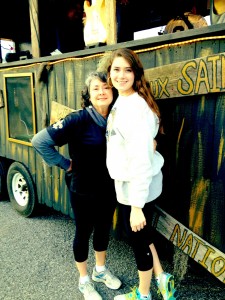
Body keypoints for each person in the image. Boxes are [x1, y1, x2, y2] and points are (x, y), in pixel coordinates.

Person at [31, 71, 121, 300]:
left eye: (106, 87)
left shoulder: (118, 117)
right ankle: (84, 281)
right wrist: (64, 163)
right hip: (83, 189)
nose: (102, 92)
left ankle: (100, 271)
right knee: (83, 232)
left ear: (113, 91)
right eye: (96, 88)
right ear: (88, 95)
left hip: (109, 187)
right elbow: (39, 141)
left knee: (102, 230)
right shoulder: (77, 119)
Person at [105, 48, 178, 300]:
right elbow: (144, 143)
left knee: (138, 242)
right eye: (116, 69)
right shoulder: (124, 100)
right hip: (134, 184)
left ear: (135, 74)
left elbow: (140, 159)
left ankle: (143, 295)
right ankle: (162, 278)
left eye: (127, 70)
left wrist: (136, 205)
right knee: (144, 236)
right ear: (109, 73)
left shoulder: (133, 108)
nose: (121, 75)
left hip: (136, 188)